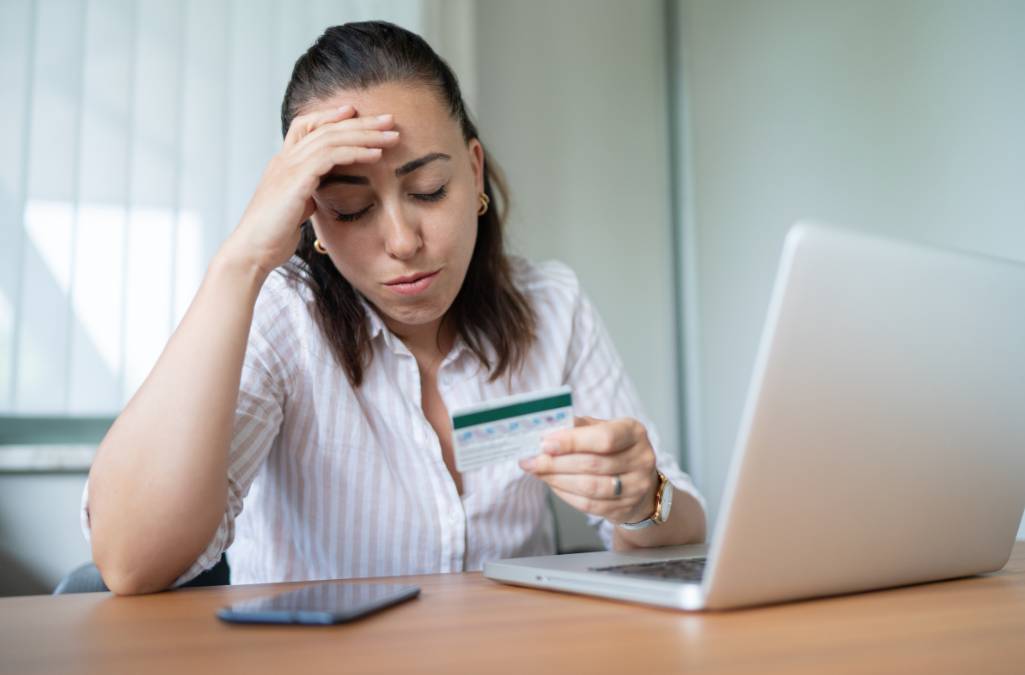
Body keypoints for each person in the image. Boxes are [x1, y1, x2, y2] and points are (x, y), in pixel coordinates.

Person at [82, 21, 706, 595]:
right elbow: (132, 562)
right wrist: (241, 260)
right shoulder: (283, 317)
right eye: (352, 208)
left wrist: (642, 498)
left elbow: (682, 533)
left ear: (474, 170)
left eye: (429, 191)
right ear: (312, 219)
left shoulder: (551, 306)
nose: (404, 242)